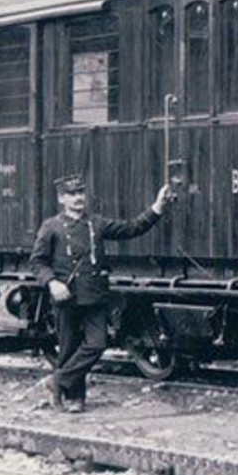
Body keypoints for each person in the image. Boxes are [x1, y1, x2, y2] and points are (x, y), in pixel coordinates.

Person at [31, 175, 175, 412]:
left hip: (94, 296)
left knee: (97, 344)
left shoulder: (96, 224)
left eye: (81, 193)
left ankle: (56, 382)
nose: (78, 198)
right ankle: (74, 399)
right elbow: (37, 262)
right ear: (61, 199)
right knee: (68, 348)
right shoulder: (51, 227)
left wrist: (157, 206)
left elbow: (132, 227)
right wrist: (52, 283)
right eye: (72, 194)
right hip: (65, 297)